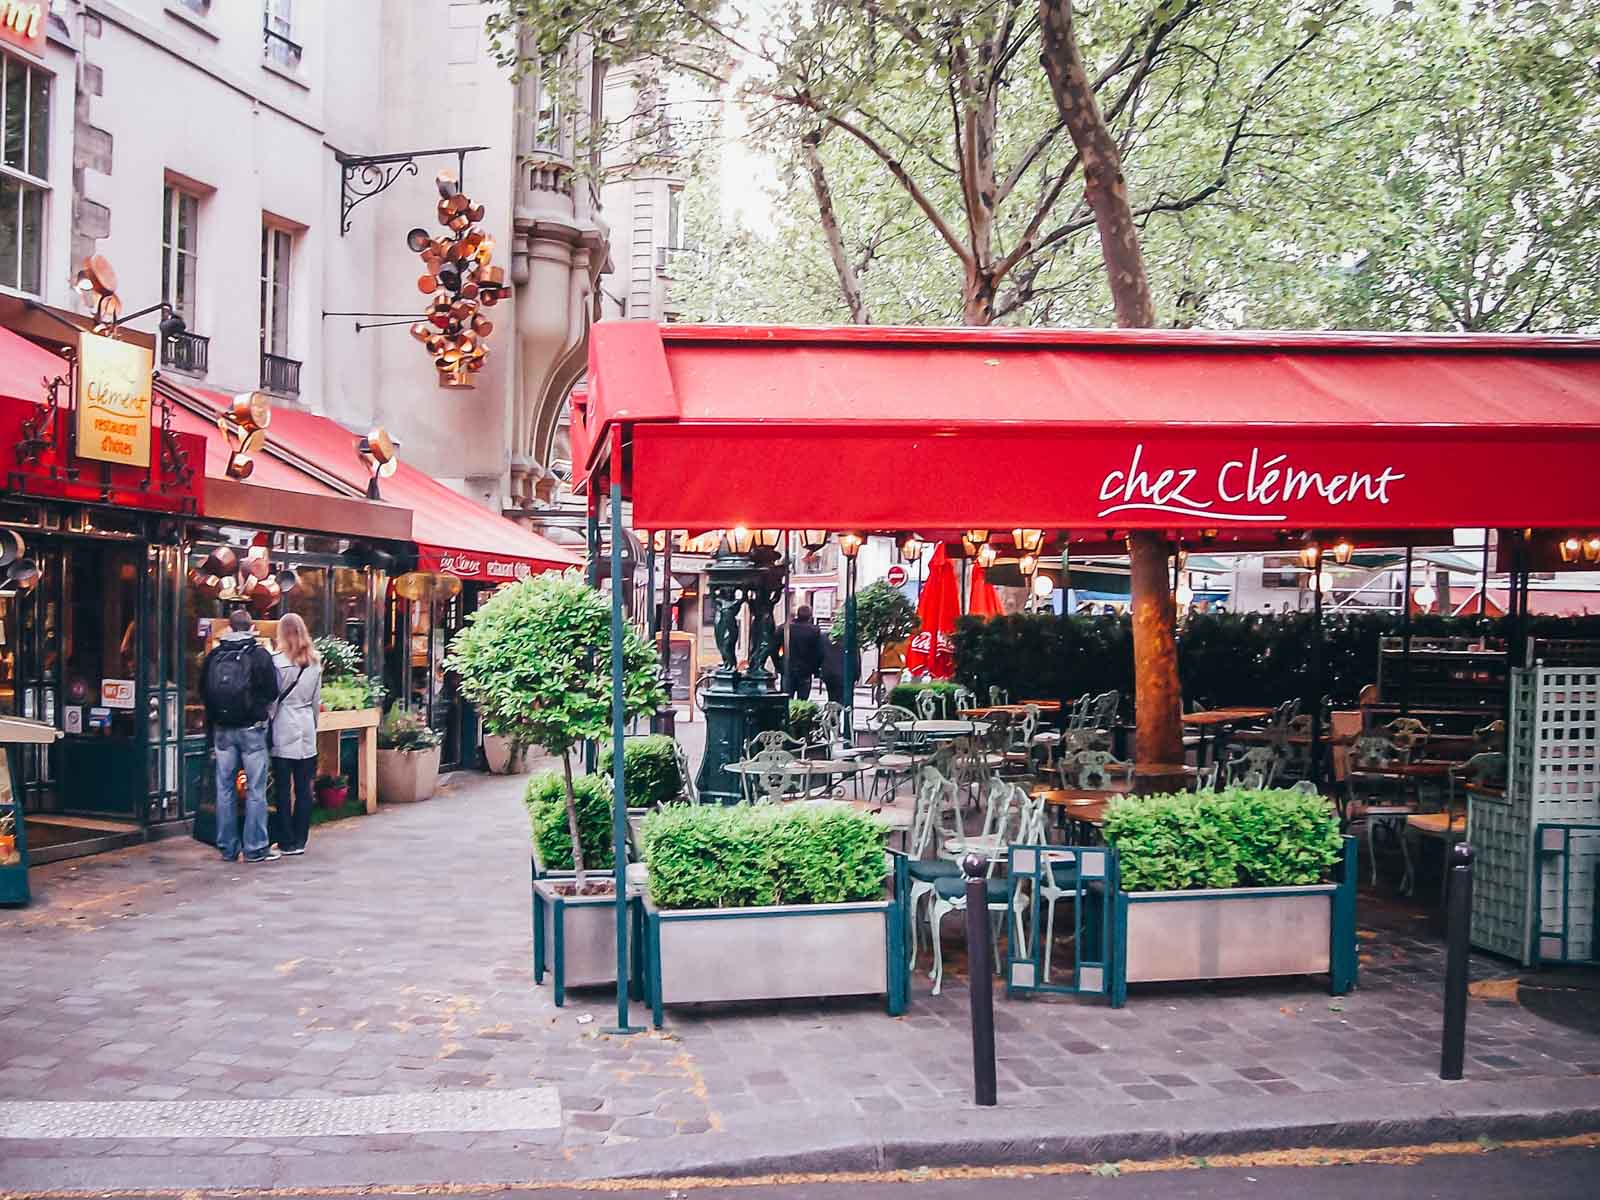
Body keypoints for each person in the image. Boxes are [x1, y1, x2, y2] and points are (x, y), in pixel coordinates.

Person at [201, 608, 281, 863]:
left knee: (224, 788)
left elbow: (203, 690)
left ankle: (227, 846)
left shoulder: (214, 655)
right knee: (256, 790)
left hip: (222, 729)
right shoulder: (259, 655)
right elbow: (272, 690)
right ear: (251, 627)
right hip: (252, 730)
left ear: (230, 627)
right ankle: (255, 846)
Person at [269, 613, 323, 857]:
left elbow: (272, 701)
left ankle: (286, 839)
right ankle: (300, 839)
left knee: (282, 788)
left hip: (283, 726)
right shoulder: (314, 663)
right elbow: (315, 702)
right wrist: (313, 726)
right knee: (303, 788)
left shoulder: (276, 662)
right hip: (305, 729)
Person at [784, 605, 825, 699]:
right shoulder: (814, 631)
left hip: (788, 669)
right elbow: (819, 652)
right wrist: (816, 669)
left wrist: (779, 665)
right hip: (806, 671)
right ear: (810, 616)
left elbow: (775, 647)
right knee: (803, 700)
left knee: (786, 700)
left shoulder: (786, 628)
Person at [818, 631, 847, 705]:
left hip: (829, 672)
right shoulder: (849, 636)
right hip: (843, 673)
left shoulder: (823, 636)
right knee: (842, 698)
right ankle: (837, 713)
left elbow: (820, 654)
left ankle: (834, 713)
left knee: (832, 696)